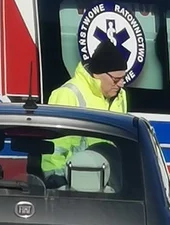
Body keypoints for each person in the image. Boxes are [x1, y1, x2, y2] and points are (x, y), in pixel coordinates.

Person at [42, 39, 128, 179]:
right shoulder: (68, 94)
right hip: (73, 180)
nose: (121, 84)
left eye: (123, 78)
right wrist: (55, 180)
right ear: (98, 75)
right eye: (116, 80)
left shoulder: (121, 97)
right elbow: (55, 148)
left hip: (109, 181)